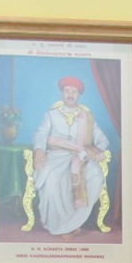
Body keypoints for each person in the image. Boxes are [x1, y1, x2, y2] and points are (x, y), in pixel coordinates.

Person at [30, 76, 111, 237]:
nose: (70, 94)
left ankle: (74, 223)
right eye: (67, 90)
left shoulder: (87, 117)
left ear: (79, 95)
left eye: (74, 91)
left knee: (95, 177)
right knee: (51, 178)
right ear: (62, 93)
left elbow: (103, 140)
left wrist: (92, 152)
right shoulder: (51, 114)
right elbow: (40, 134)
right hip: (56, 156)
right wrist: (39, 149)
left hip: (81, 158)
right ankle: (59, 226)